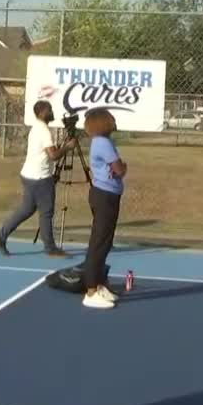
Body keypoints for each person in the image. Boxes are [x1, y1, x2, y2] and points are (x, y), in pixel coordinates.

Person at [0, 100, 72, 257]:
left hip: (30, 175)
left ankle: (1, 236)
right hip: (40, 178)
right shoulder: (43, 131)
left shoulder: (38, 128)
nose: (52, 111)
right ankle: (50, 248)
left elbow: (49, 152)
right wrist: (68, 147)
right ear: (42, 112)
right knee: (46, 212)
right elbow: (54, 155)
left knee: (26, 210)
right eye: (49, 109)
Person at [77, 107, 126, 309]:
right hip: (104, 196)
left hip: (109, 195)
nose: (114, 120)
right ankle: (90, 291)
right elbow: (119, 169)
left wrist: (120, 168)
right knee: (98, 243)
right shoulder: (103, 143)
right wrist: (124, 167)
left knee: (105, 242)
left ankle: (99, 284)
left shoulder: (104, 142)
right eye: (110, 118)